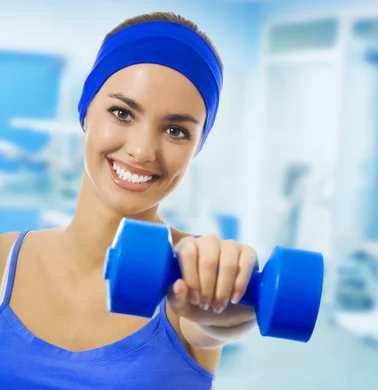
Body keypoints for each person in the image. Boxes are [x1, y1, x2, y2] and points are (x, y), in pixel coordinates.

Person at [0, 12, 259, 389]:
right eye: (122, 113)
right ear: (86, 111)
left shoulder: (194, 275)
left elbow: (210, 325)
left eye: (176, 130)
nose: (141, 151)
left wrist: (224, 308)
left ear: (196, 147)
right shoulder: (3, 260)